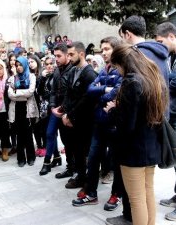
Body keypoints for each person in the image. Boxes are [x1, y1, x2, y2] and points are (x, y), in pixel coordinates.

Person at [106, 15, 170, 225]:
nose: (117, 71)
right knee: (147, 193)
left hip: (133, 150)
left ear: (123, 62)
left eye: (116, 67)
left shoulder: (132, 82)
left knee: (136, 200)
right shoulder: (152, 76)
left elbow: (127, 124)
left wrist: (113, 111)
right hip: (151, 145)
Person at [73, 37, 122, 209]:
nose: (104, 52)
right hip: (99, 121)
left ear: (116, 50)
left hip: (115, 123)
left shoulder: (122, 70)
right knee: (93, 159)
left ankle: (117, 194)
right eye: (102, 49)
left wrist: (102, 92)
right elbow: (91, 90)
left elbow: (116, 93)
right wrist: (105, 89)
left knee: (116, 162)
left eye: (107, 49)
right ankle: (91, 193)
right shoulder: (104, 70)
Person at [55, 42, 97, 189]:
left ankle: (86, 179)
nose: (69, 57)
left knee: (84, 150)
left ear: (81, 54)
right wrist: (64, 111)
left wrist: (71, 115)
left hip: (84, 120)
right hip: (72, 117)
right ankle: (80, 175)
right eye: (69, 54)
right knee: (76, 149)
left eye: (72, 54)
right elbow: (69, 93)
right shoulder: (73, 71)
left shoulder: (90, 74)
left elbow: (86, 99)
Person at [155, 21, 176, 222]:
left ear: (171, 37)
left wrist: (165, 78)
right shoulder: (171, 56)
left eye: (160, 41)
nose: (159, 45)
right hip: (173, 112)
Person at [44, 43, 73, 177]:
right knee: (50, 133)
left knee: (68, 139)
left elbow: (71, 93)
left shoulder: (72, 69)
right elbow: (54, 91)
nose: (56, 59)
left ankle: (71, 167)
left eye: (59, 56)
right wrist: (52, 106)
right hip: (56, 109)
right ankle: (48, 162)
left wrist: (63, 109)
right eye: (55, 56)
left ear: (67, 55)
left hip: (68, 110)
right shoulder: (56, 70)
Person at [7, 56, 39, 167]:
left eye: (20, 65)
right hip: (16, 110)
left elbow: (30, 92)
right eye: (17, 65)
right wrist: (22, 94)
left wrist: (17, 92)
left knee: (28, 134)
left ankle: (31, 157)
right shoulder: (12, 78)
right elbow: (10, 94)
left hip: (28, 109)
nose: (19, 67)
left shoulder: (31, 76)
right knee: (19, 135)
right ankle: (21, 159)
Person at [38, 56, 60, 175]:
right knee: (51, 134)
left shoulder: (58, 75)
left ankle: (46, 162)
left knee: (50, 133)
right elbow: (40, 91)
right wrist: (41, 78)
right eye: (47, 64)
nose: (49, 66)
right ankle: (56, 157)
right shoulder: (45, 77)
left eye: (51, 63)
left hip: (56, 108)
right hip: (46, 108)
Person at [28, 54, 45, 157]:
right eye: (29, 63)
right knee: (35, 126)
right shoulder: (29, 75)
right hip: (32, 103)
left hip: (42, 104)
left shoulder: (42, 73)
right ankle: (39, 145)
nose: (30, 64)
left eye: (32, 62)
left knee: (43, 126)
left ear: (37, 62)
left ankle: (45, 146)